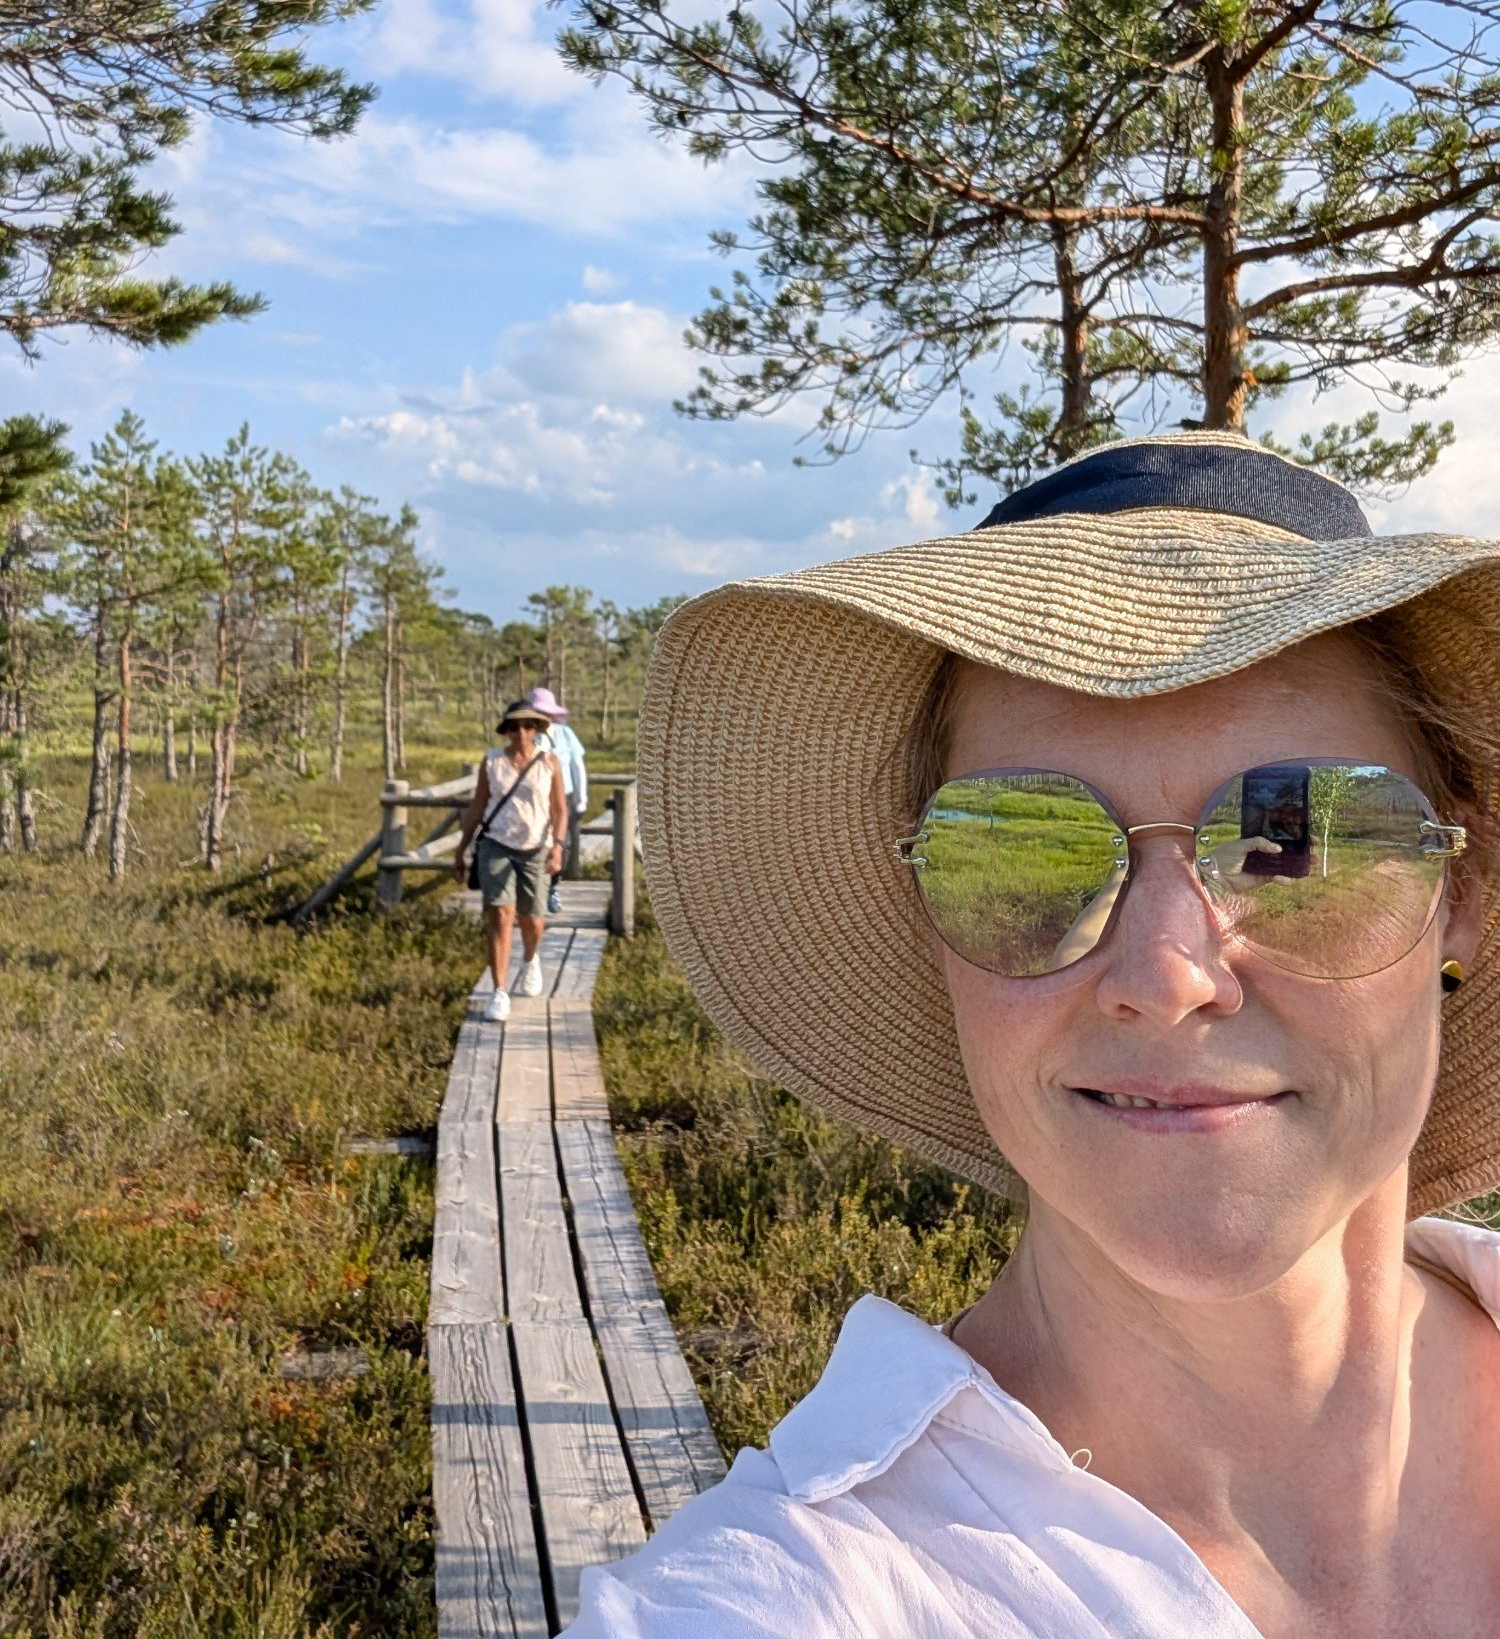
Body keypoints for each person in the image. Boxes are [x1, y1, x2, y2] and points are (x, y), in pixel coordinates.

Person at [565, 431, 1500, 1638]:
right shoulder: (780, 1600)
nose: (1167, 974)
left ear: (1461, 893)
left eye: (1301, 836)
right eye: (1019, 848)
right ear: (926, 922)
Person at [454, 699, 568, 1021]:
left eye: (528, 726)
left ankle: (530, 959)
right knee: (501, 914)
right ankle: (499, 991)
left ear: (536, 730)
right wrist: (462, 848)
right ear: (506, 730)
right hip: (495, 844)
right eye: (515, 726)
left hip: (536, 847)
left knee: (532, 917)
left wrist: (558, 847)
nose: (522, 732)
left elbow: (560, 809)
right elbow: (477, 807)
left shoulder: (549, 762)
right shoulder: (491, 762)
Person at [524, 685, 588, 914]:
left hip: (564, 797)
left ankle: (552, 887)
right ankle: (534, 888)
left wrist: (582, 797)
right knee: (535, 842)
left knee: (562, 843)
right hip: (535, 799)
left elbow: (577, 765)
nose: (544, 717)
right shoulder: (525, 735)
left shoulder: (565, 733)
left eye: (546, 712)